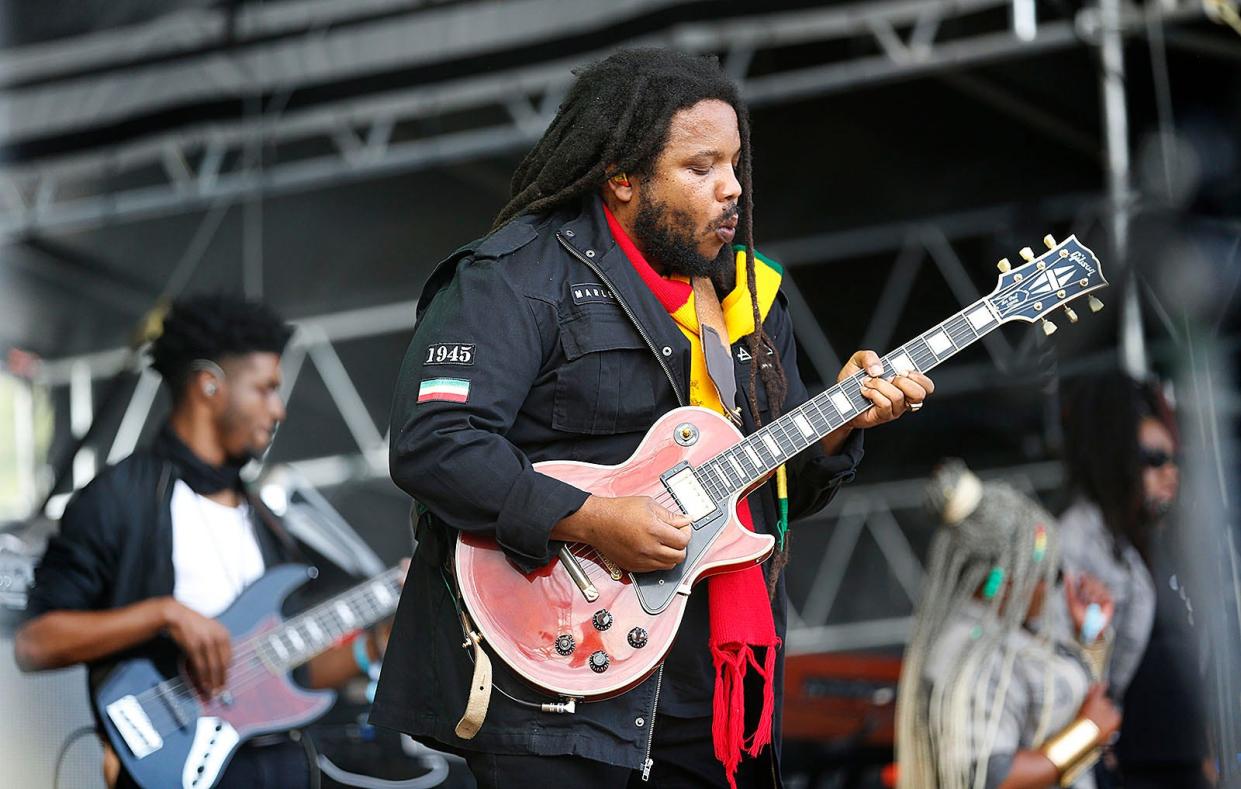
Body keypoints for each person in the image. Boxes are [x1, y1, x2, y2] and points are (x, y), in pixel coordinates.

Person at [372, 48, 935, 788]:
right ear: (622, 177)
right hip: (556, 683)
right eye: (700, 169)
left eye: (734, 164)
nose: (730, 189)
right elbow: (432, 444)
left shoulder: (749, 296)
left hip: (713, 686)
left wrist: (835, 425)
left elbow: (763, 490)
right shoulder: (517, 277)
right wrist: (590, 517)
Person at [15, 295, 390, 788]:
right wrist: (163, 614)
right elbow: (35, 644)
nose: (278, 409)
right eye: (265, 388)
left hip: (278, 769)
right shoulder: (119, 498)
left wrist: (375, 645)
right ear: (210, 385)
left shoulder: (264, 520)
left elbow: (288, 677)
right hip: (174, 769)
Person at [896, 460, 1121, 789]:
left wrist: (1089, 634)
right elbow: (991, 776)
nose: (1052, 586)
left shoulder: (1005, 632)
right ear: (1006, 579)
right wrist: (1086, 732)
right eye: (1050, 573)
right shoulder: (970, 654)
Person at [1059, 372, 1211, 788]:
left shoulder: (1151, 542)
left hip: (1180, 763)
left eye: (1174, 459)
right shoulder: (1080, 537)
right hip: (1128, 768)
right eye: (1155, 459)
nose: (1171, 473)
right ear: (1122, 459)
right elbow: (1074, 648)